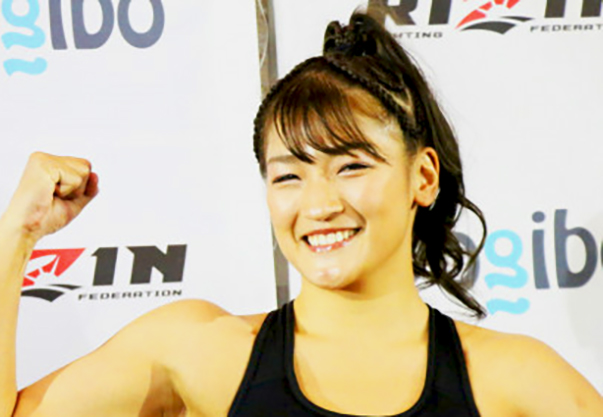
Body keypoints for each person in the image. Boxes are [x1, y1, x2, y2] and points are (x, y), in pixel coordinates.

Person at [1, 12, 601, 417]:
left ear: (422, 176)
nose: (318, 204)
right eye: (288, 175)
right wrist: (17, 235)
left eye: (351, 166)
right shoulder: (200, 352)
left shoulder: (512, 378)